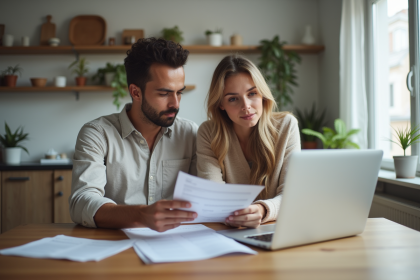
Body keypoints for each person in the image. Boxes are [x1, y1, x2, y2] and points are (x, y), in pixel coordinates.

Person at [69, 38, 198, 232]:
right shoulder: (97, 134)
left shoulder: (190, 134)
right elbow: (81, 202)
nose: (176, 104)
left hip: (178, 245)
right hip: (114, 247)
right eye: (164, 94)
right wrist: (140, 215)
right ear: (136, 92)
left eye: (179, 92)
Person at [197, 54, 301, 228]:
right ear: (221, 104)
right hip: (228, 233)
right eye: (233, 98)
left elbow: (292, 195)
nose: (246, 106)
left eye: (252, 93)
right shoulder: (209, 133)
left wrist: (262, 210)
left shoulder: (286, 126)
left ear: (262, 94)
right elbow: (213, 198)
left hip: (279, 230)